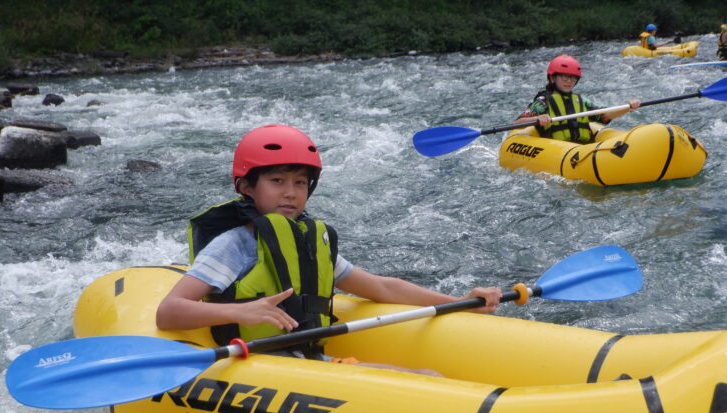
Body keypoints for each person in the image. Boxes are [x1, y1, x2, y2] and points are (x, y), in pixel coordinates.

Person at [156, 124, 502, 371]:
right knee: (427, 384)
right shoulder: (234, 245)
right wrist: (240, 312)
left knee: (430, 378)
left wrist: (460, 304)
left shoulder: (308, 242)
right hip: (256, 370)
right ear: (247, 186)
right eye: (277, 181)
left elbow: (381, 287)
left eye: (300, 182)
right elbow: (169, 311)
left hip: (308, 366)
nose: (290, 192)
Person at [514, 55, 641, 144]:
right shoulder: (543, 102)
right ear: (553, 78)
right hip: (557, 150)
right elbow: (518, 123)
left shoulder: (581, 101)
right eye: (565, 77)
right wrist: (537, 118)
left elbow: (605, 115)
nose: (569, 82)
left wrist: (627, 107)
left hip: (583, 148)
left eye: (573, 78)